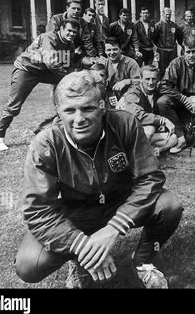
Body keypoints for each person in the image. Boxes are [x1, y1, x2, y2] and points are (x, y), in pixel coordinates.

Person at [14, 70, 182, 289]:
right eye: (69, 110)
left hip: (119, 204)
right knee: (29, 264)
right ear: (58, 111)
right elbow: (38, 211)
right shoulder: (45, 144)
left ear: (102, 106)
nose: (79, 119)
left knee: (169, 205)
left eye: (88, 108)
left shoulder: (125, 124)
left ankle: (142, 261)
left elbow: (150, 177)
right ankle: (78, 262)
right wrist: (82, 246)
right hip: (76, 214)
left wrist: (114, 228)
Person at [0, 19, 80, 151]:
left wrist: (72, 76)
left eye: (74, 32)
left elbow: (67, 66)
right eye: (69, 30)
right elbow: (51, 62)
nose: (72, 34)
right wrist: (68, 75)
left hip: (45, 72)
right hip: (27, 69)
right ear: (61, 29)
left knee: (67, 82)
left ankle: (62, 120)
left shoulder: (70, 44)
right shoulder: (49, 37)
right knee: (14, 106)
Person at [119, 65, 178, 154]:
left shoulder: (156, 90)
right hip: (126, 130)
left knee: (173, 138)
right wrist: (162, 120)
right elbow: (136, 114)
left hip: (142, 130)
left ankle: (154, 150)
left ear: (158, 79)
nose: (150, 82)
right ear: (141, 79)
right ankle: (136, 157)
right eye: (147, 79)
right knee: (150, 129)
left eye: (153, 79)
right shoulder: (134, 92)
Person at [103, 37, 140, 109]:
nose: (112, 53)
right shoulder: (105, 63)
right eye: (108, 50)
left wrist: (126, 81)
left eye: (115, 49)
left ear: (120, 49)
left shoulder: (130, 63)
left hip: (128, 96)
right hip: (112, 97)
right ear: (105, 51)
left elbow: (140, 82)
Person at [153, 7, 181, 78]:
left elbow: (179, 37)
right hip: (162, 51)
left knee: (173, 68)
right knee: (162, 69)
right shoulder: (158, 25)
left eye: (169, 14)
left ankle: (171, 84)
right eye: (166, 14)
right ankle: (162, 84)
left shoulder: (174, 25)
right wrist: (160, 46)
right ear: (163, 14)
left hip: (172, 51)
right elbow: (154, 39)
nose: (168, 16)